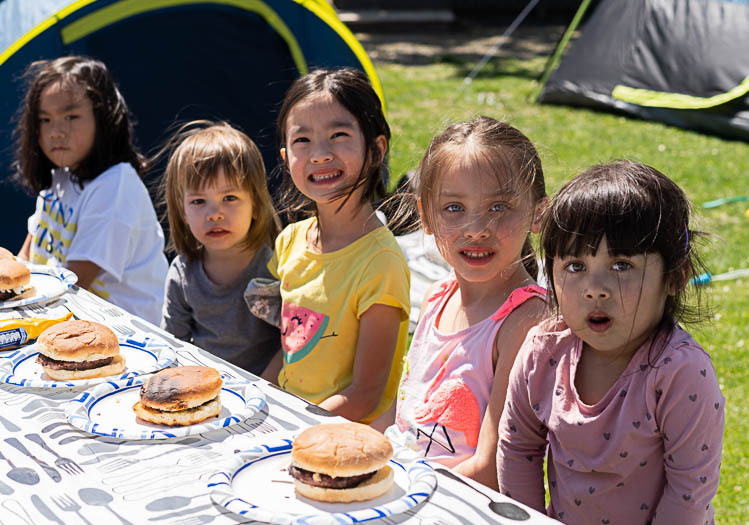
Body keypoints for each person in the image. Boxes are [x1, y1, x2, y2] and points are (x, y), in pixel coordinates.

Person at [497, 161, 724, 525]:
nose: (595, 289)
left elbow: (688, 495)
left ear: (674, 278)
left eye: (621, 265)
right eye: (575, 266)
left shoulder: (680, 374)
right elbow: (518, 449)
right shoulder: (543, 353)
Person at [380, 117, 551, 490]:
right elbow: (405, 423)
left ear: (538, 212)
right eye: (454, 208)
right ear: (425, 216)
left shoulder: (527, 322)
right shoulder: (435, 298)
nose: (476, 228)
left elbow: (490, 469)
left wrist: (395, 492)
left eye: (499, 207)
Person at [261, 68, 410, 424]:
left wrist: (290, 426)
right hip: (288, 424)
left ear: (376, 150)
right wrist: (258, 398)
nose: (320, 154)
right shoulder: (290, 241)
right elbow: (293, 347)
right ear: (285, 157)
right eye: (302, 140)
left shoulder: (381, 263)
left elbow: (365, 394)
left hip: (343, 441)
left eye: (338, 135)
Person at [13, 56, 167, 324]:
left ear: (104, 118)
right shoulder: (61, 173)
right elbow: (27, 254)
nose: (56, 132)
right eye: (45, 120)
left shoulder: (115, 186)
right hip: (60, 314)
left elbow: (74, 282)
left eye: (71, 117)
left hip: (124, 336)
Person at [159, 120, 281, 375]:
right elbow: (172, 346)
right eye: (199, 201)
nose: (214, 214)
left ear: (256, 204)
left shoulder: (277, 268)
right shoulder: (183, 274)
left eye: (229, 198)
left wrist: (264, 387)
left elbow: (292, 345)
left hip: (271, 392)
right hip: (205, 387)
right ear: (182, 212)